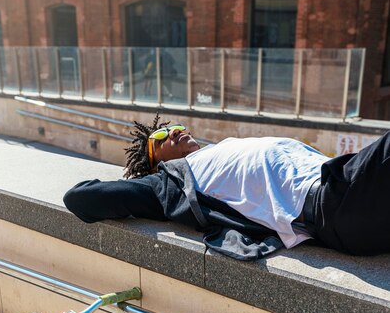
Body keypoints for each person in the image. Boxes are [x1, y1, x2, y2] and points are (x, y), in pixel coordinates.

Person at [64, 114, 390, 260]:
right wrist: (139, 181)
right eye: (160, 138)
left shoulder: (213, 157)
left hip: (341, 188)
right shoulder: (169, 182)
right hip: (333, 202)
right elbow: (80, 198)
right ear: (154, 165)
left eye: (175, 127)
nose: (173, 132)